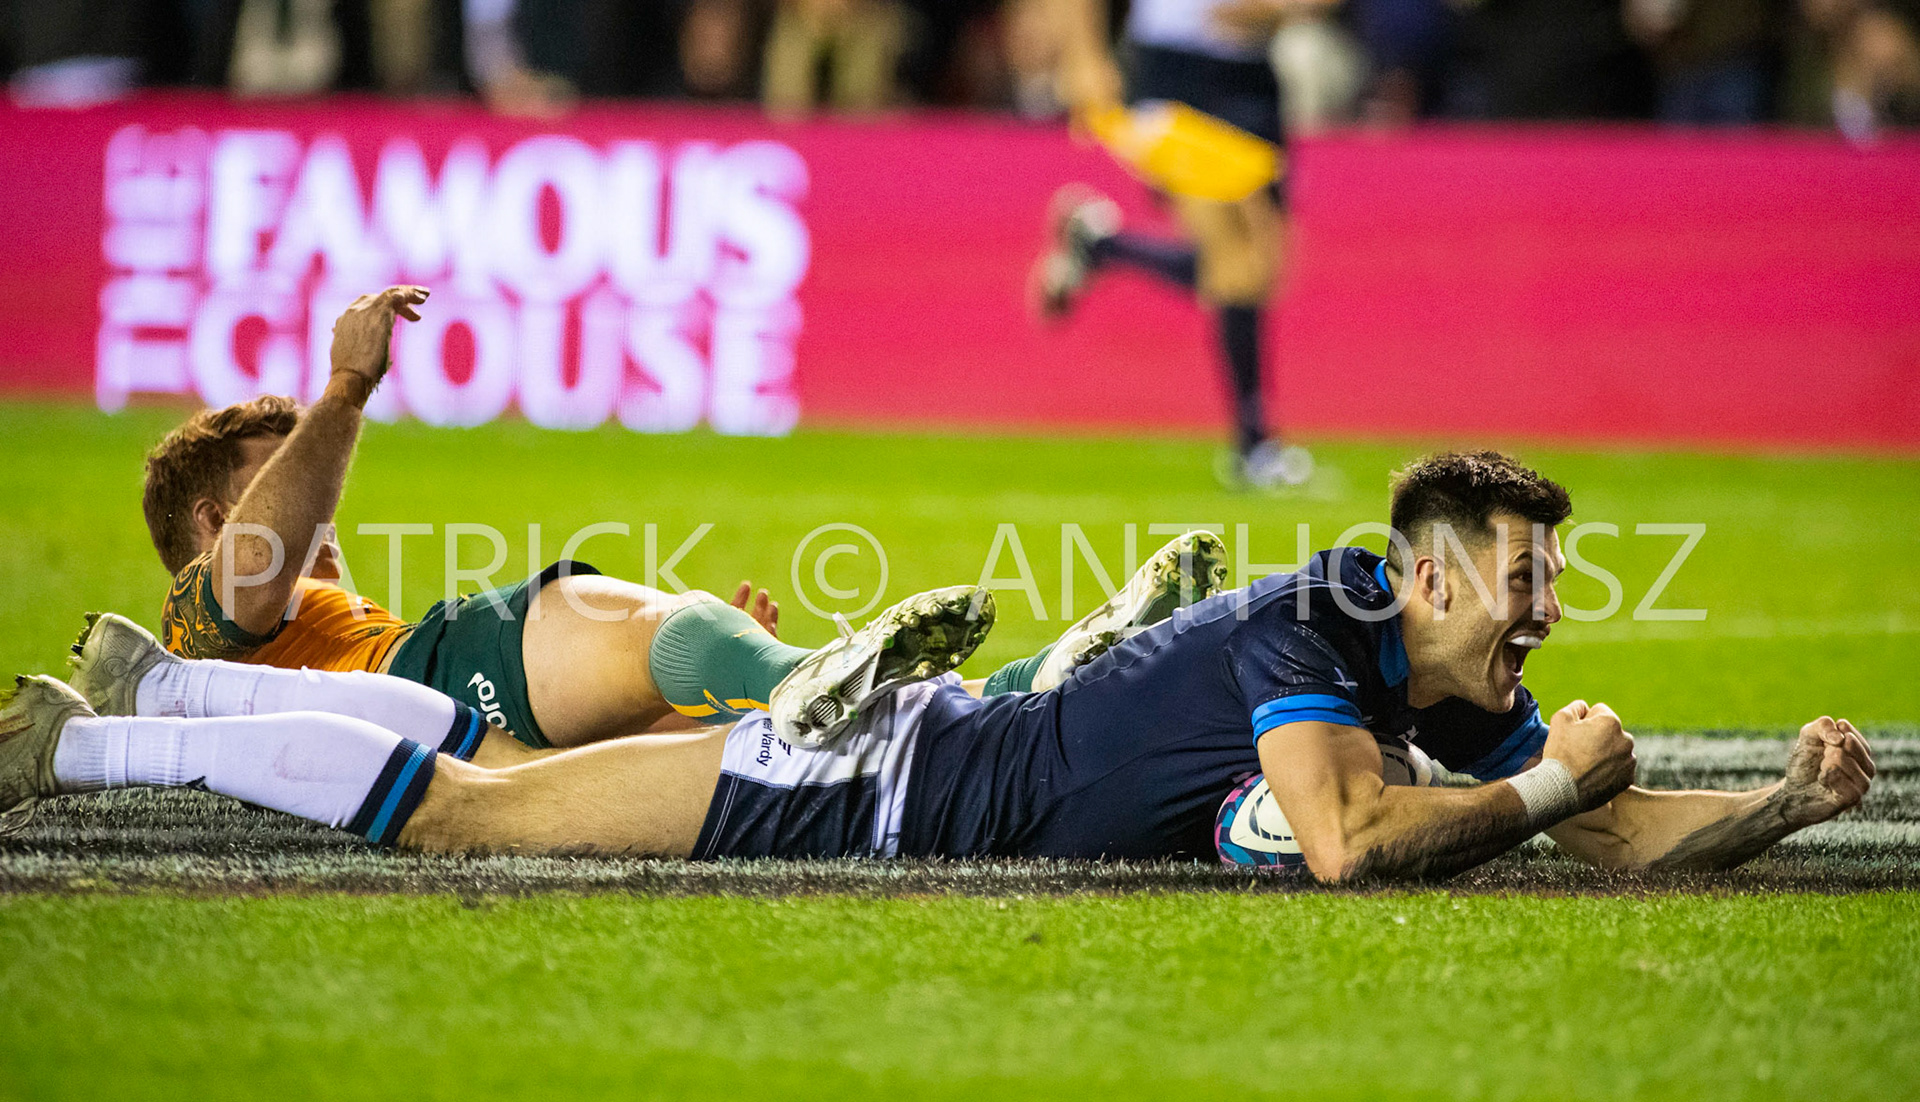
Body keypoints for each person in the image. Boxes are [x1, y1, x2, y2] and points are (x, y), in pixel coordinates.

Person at [3, 452, 1876, 880]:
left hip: (935, 750)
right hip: (876, 779)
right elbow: (1346, 845)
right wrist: (1556, 784)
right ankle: (83, 752)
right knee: (466, 821)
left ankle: (153, 700)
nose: (1551, 607)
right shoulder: (1324, 622)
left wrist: (1780, 796)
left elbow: (1605, 838)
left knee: (480, 778)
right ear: (1430, 571)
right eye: (1531, 578)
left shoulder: (1451, 680)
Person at [135, 286, 997, 763]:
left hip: (460, 732)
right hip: (442, 675)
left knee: (746, 712)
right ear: (214, 519)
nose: (318, 500)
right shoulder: (193, 621)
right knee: (680, 627)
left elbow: (549, 758)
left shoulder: (312, 644)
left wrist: (707, 685)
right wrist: (346, 388)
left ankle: (996, 700)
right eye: (275, 475)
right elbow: (254, 565)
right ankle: (806, 678)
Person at [1031, 0, 1316, 490]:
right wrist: (1083, 56)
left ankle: (1101, 247)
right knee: (1236, 262)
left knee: (1261, 267)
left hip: (1254, 73)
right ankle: (1252, 448)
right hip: (1177, 71)